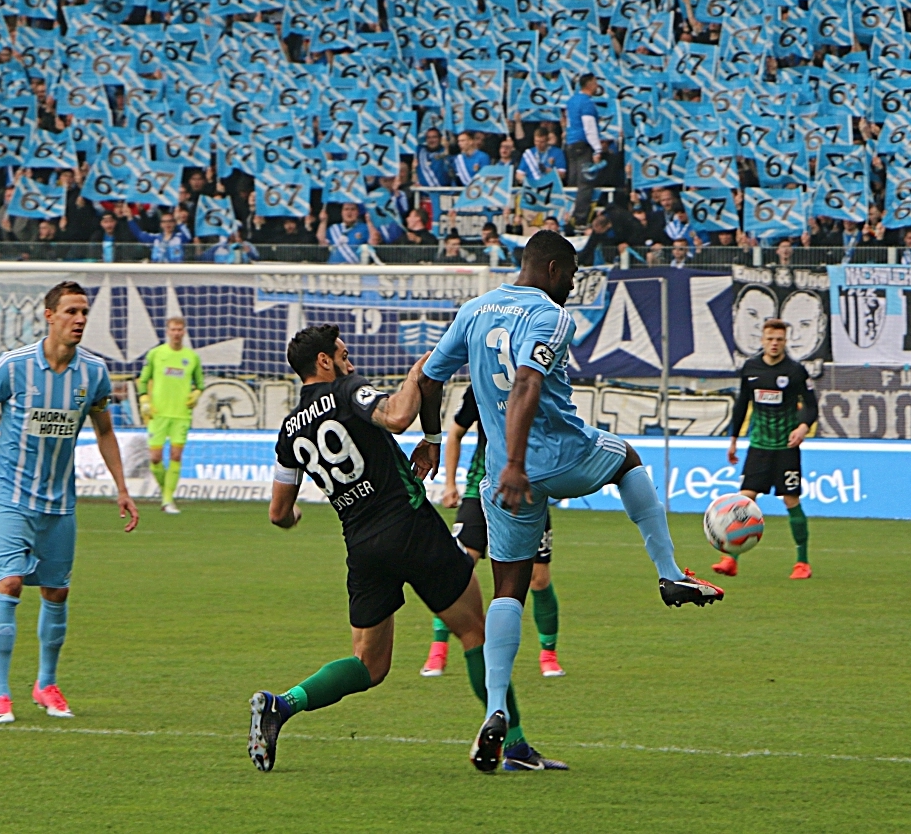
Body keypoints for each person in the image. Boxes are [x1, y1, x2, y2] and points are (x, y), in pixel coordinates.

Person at [415, 230, 723, 771]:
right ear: (554, 269)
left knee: (508, 590)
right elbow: (528, 383)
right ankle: (669, 571)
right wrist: (515, 460)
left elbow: (430, 375)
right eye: (573, 276)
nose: (573, 286)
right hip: (558, 458)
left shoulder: (474, 309)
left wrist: (432, 439)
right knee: (626, 456)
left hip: (504, 482)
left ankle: (494, 712)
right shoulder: (552, 317)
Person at [247, 325, 565, 773]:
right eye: (342, 354)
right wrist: (418, 373)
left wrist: (296, 517)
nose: (350, 362)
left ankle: (283, 704)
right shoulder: (346, 390)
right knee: (476, 631)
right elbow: (396, 417)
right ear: (323, 362)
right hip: (411, 526)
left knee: (369, 664)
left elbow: (279, 512)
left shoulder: (288, 429)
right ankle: (514, 747)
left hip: (361, 545)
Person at [0, 281, 137, 724]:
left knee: (57, 590)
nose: (80, 319)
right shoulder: (13, 367)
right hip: (9, 496)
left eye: (84, 312)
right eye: (71, 311)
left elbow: (104, 430)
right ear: (49, 316)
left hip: (59, 502)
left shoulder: (93, 373)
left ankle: (46, 684)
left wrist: (122, 488)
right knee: (9, 583)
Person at [424, 386, 563, 680]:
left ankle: (548, 655)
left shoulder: (539, 383)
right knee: (456, 568)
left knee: (538, 579)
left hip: (528, 491)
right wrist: (450, 483)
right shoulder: (481, 386)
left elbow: (556, 435)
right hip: (481, 489)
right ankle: (438, 651)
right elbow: (456, 433)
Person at [718, 319, 817, 579]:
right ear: (762, 340)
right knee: (745, 499)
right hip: (759, 446)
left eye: (779, 339)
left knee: (790, 499)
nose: (774, 343)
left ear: (785, 341)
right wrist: (733, 439)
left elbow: (811, 404)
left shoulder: (795, 371)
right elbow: (741, 404)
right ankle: (731, 559)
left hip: (786, 447)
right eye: (770, 338)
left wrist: (804, 426)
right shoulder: (751, 369)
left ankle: (802, 562)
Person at [136, 317, 204, 515]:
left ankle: (167, 500)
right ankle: (167, 491)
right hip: (158, 414)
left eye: (179, 329)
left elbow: (200, 384)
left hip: (181, 415)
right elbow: (143, 380)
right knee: (155, 458)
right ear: (167, 332)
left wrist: (196, 394)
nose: (176, 333)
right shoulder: (156, 354)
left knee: (176, 455)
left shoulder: (191, 357)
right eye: (173, 329)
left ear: (184, 332)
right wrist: (144, 400)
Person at [565, 74, 606, 226]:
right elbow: (589, 128)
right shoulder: (587, 103)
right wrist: (597, 149)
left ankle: (567, 214)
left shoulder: (571, 101)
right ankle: (579, 218)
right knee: (585, 183)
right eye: (595, 83)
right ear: (589, 84)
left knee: (573, 180)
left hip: (570, 143)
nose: (597, 86)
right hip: (583, 145)